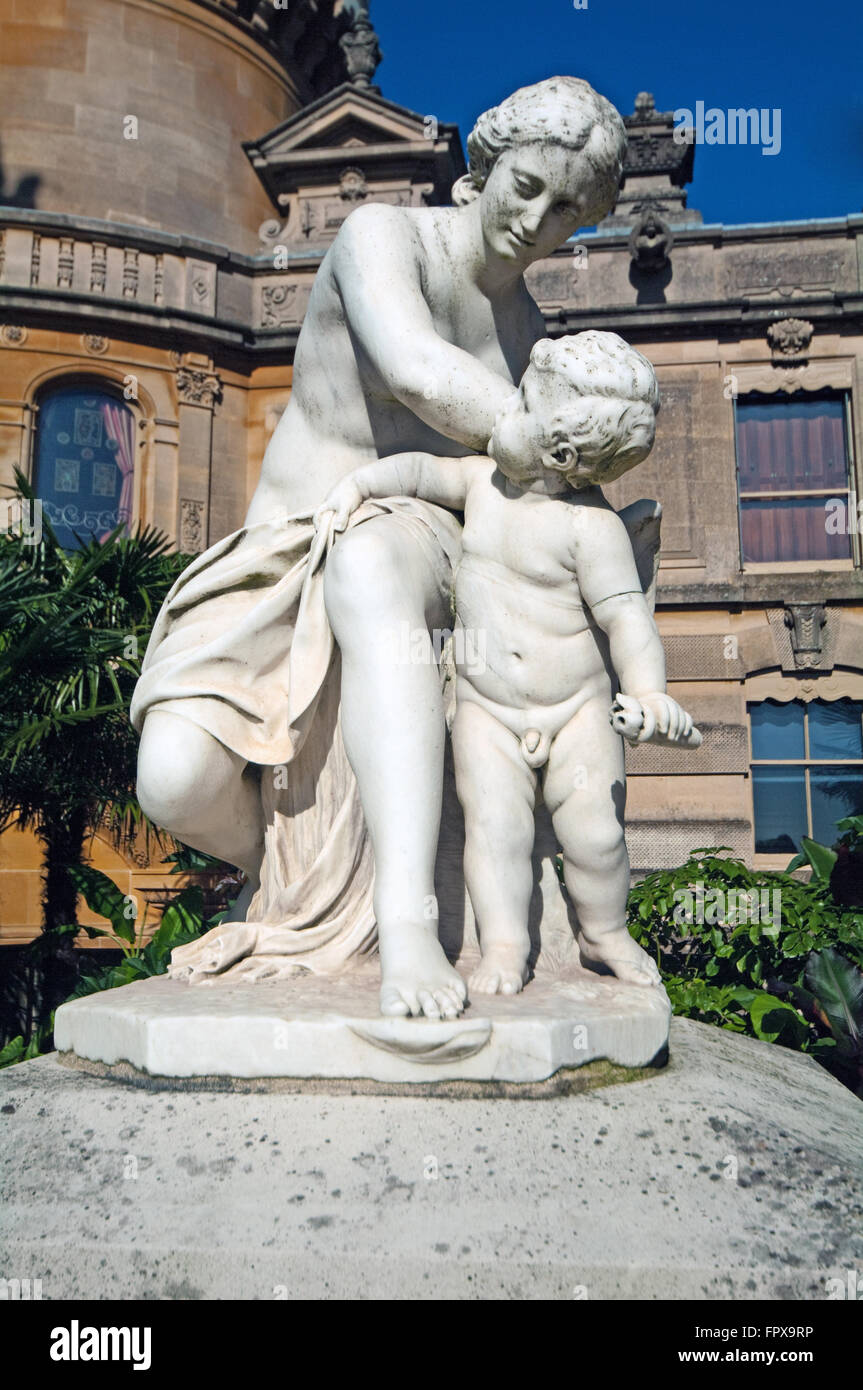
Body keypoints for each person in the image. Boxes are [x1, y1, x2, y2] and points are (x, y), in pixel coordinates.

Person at [132, 78, 629, 1019]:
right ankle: (290, 880)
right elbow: (412, 364)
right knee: (174, 780)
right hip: (283, 546)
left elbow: (533, 495)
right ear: (483, 167)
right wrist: (526, 431)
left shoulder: (533, 339)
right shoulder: (381, 239)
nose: (536, 217)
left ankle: (405, 922)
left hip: (414, 543)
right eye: (525, 185)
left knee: (368, 558)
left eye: (568, 209)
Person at [316, 331, 701, 1000]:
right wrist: (356, 486)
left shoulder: (593, 531)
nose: (502, 413)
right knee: (494, 835)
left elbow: (626, 619)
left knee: (596, 836)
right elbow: (418, 473)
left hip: (577, 711)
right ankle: (503, 945)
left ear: (556, 452)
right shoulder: (483, 484)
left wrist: (647, 692)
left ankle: (603, 931)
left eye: (520, 405)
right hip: (486, 709)